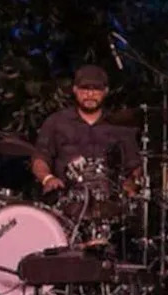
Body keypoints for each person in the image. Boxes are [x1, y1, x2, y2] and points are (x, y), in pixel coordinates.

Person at [31, 64, 142, 208]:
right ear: (75, 90)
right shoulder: (56, 122)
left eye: (96, 89)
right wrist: (47, 178)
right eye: (85, 89)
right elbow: (40, 157)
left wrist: (131, 183)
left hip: (110, 205)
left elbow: (135, 165)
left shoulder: (121, 126)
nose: (90, 95)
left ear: (106, 91)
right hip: (65, 202)